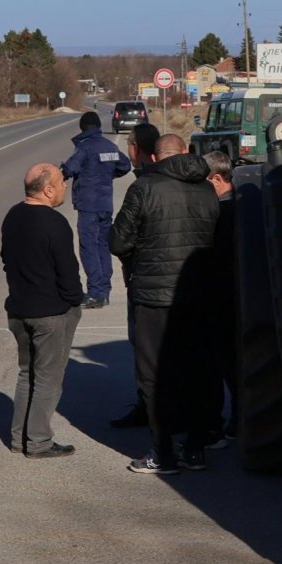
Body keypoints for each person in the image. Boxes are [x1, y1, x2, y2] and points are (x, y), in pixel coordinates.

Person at [110, 134, 220, 475]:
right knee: (197, 371)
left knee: (154, 375)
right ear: (185, 152)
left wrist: (140, 256)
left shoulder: (144, 188)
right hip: (199, 293)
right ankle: (196, 449)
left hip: (154, 296)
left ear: (155, 159)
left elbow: (118, 241)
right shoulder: (206, 189)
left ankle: (163, 453)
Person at [0, 163, 85, 459]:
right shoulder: (54, 222)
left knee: (27, 374)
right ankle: (38, 442)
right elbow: (68, 271)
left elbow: (6, 259)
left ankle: (18, 438)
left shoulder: (13, 216)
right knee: (48, 378)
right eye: (62, 182)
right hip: (50, 313)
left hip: (18, 310)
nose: (65, 186)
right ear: (48, 190)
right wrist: (75, 302)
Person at [108, 118, 165, 429]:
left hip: (144, 281)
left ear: (135, 150)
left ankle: (150, 410)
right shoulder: (185, 181)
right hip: (181, 282)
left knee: (145, 352)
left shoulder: (141, 187)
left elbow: (120, 240)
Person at [60, 111, 131, 310]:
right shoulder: (110, 146)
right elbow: (125, 166)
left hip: (88, 206)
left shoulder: (84, 148)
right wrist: (107, 176)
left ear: (83, 127)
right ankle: (104, 292)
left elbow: (69, 170)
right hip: (105, 205)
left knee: (89, 248)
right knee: (103, 247)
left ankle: (95, 294)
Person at [193, 149, 237, 450]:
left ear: (217, 179)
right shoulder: (245, 205)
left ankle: (228, 424)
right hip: (234, 298)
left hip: (225, 300)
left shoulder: (224, 214)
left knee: (225, 364)